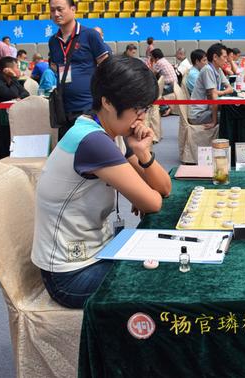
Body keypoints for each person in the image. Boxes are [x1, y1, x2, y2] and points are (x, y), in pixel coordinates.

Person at [31, 56, 172, 309]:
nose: (141, 117)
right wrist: (143, 190)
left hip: (99, 249)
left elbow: (164, 188)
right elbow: (153, 203)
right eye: (136, 109)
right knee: (162, 277)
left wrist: (142, 152)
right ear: (107, 102)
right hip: (70, 275)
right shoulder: (93, 141)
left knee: (164, 259)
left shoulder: (109, 132)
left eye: (145, 109)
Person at [48, 0, 110, 139]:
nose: (56, 14)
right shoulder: (53, 41)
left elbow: (106, 67)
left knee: (91, 153)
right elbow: (55, 66)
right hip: (63, 109)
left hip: (88, 107)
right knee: (68, 155)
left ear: (73, 9)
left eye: (60, 9)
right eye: (52, 10)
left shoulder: (90, 35)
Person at [189, 43, 233, 128]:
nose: (226, 60)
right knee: (230, 116)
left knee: (233, 112)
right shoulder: (207, 70)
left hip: (208, 110)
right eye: (224, 57)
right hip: (199, 115)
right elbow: (214, 97)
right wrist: (214, 121)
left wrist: (219, 92)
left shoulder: (218, 69)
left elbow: (230, 88)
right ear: (215, 57)